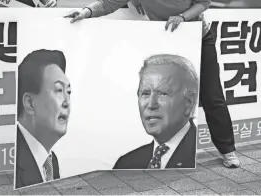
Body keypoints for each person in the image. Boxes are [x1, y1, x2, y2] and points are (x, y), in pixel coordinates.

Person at [65, 0, 240, 168]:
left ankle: (228, 150)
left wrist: (182, 16)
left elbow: (204, 3)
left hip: (197, 37)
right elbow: (108, 3)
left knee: (212, 95)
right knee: (165, 92)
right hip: (166, 37)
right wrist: (86, 11)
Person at [114, 54, 198, 169]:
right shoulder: (126, 163)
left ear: (189, 102)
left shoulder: (203, 157)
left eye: (163, 93)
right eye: (145, 94)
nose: (151, 104)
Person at [15, 49, 71, 189]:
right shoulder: (10, 164)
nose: (67, 102)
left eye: (69, 92)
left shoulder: (51, 162)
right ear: (30, 103)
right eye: (59, 90)